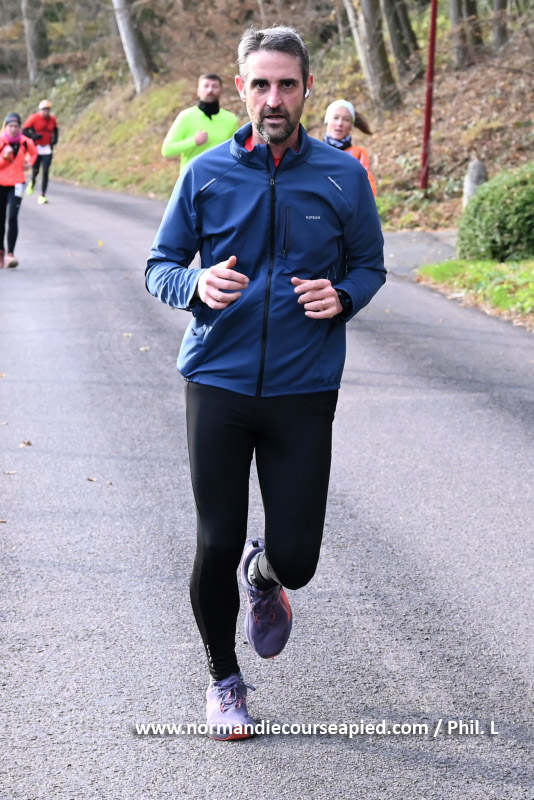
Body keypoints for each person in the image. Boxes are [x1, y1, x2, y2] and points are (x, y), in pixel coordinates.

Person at [146, 26, 385, 741]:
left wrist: (344, 295)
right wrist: (195, 285)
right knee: (216, 540)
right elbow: (160, 265)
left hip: (303, 387)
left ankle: (266, 577)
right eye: (260, 84)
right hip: (217, 381)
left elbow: (370, 265)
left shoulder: (343, 176)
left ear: (307, 88)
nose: (273, 98)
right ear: (241, 89)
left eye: (286, 84)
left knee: (299, 560)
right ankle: (224, 681)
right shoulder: (206, 173)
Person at [161, 74, 239, 175]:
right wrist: (194, 141)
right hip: (192, 178)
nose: (210, 90)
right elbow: (167, 150)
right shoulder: (186, 116)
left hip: (220, 178)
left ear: (221, 91)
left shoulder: (231, 120)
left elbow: (235, 152)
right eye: (206, 86)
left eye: (215, 86)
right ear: (198, 91)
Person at [0, 113, 37, 268]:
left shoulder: (25, 142)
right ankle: (1, 251)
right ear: (6, 126)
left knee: (12, 217)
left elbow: (34, 153)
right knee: (0, 218)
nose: (14, 129)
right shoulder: (1, 141)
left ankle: (11, 254)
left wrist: (30, 163)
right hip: (1, 184)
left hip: (17, 184)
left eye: (16, 126)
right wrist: (5, 157)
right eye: (11, 126)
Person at [323, 99, 377, 196]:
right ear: (327, 120)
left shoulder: (359, 154)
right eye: (335, 117)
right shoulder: (313, 151)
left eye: (346, 119)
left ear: (351, 125)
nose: (340, 123)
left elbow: (368, 187)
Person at [22, 99, 58, 205]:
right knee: (36, 170)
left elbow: (55, 130)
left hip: (47, 148)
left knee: (46, 171)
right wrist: (33, 136)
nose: (46, 112)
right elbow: (24, 131)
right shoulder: (34, 118)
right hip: (36, 148)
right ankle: (33, 181)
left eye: (48, 110)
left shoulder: (52, 119)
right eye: (44, 110)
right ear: (40, 110)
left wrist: (55, 139)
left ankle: (42, 195)